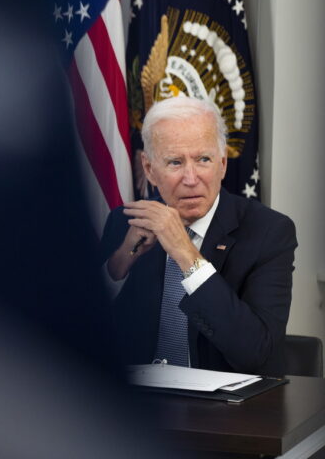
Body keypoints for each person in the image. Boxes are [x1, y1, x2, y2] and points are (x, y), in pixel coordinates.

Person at [100, 96, 297, 376]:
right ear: (148, 169)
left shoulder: (268, 231)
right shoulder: (125, 223)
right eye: (175, 162)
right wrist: (119, 263)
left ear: (223, 163)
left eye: (203, 159)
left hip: (228, 412)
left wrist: (185, 252)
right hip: (137, 408)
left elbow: (256, 352)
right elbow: (81, 328)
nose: (191, 179)